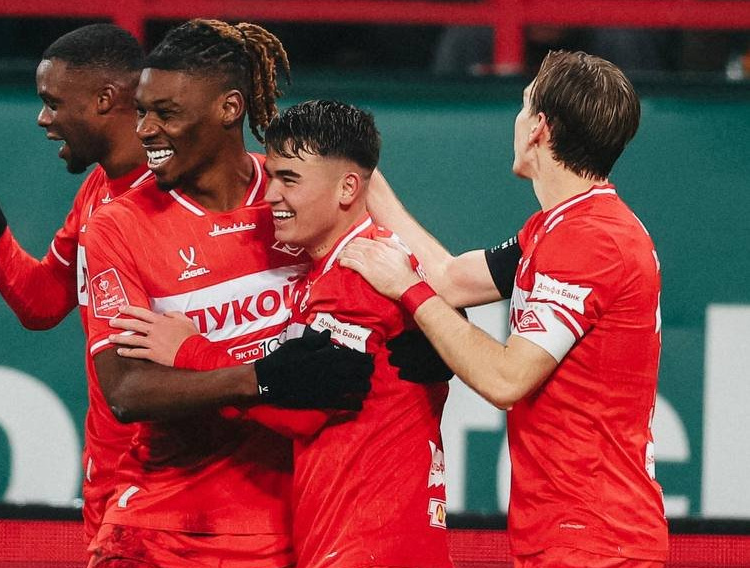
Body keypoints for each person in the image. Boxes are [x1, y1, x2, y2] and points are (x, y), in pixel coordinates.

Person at [341, 50, 669, 567]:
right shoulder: (562, 227)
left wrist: (406, 289)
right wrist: (364, 174)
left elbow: (505, 379)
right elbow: (448, 279)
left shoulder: (589, 240)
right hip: (577, 536)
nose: (515, 123)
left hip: (592, 543)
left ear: (539, 128)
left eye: (522, 107)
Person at [109, 99, 453, 568]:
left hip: (367, 547)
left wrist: (190, 351)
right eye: (271, 176)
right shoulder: (365, 264)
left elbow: (306, 408)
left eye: (290, 179)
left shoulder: (357, 274)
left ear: (348, 188)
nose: (270, 195)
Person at [81, 21, 373, 568]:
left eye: (166, 113)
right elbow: (126, 390)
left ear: (229, 108)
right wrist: (262, 379)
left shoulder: (298, 197)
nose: (145, 130)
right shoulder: (116, 227)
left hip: (295, 528)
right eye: (141, 112)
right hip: (162, 531)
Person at [0, 23, 151, 542]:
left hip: (172, 480)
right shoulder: (97, 190)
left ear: (105, 100)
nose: (43, 119)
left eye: (53, 103)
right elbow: (44, 301)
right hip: (108, 477)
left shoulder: (186, 198)